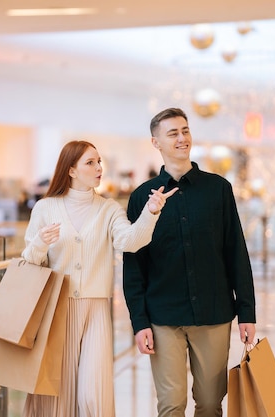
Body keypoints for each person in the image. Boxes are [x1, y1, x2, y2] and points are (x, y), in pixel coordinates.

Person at [20, 140, 177, 417]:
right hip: (57, 310)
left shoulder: (108, 209)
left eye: (99, 162)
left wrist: (151, 211)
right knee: (58, 394)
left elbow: (130, 241)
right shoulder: (45, 208)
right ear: (71, 170)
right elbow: (30, 262)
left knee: (95, 393)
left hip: (96, 311)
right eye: (90, 163)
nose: (98, 168)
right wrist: (40, 244)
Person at [123, 108, 256, 417]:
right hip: (163, 317)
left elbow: (236, 251)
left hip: (214, 313)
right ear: (156, 142)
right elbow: (134, 266)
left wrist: (246, 311)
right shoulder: (142, 197)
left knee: (210, 404)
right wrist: (139, 321)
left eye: (185, 131)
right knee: (171, 405)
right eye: (173, 133)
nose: (182, 138)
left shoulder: (218, 189)